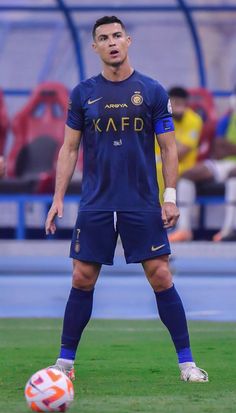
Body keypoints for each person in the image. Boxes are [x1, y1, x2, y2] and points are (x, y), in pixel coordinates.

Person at [45, 15, 208, 383]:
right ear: (95, 47)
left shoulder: (151, 91)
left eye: (117, 35)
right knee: (82, 278)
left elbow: (169, 150)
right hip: (97, 202)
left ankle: (187, 365)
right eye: (104, 38)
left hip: (141, 201)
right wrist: (57, 198)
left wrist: (169, 197)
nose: (112, 42)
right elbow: (69, 149)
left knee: (161, 276)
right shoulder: (83, 94)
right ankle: (64, 367)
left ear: (128, 40)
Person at [169, 88, 236, 242]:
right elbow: (218, 148)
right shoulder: (228, 119)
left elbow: (223, 146)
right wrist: (225, 148)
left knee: (234, 178)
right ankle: (184, 229)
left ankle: (228, 229)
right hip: (222, 164)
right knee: (186, 176)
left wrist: (228, 147)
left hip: (233, 169)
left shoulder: (193, 120)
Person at [155, 86, 202, 203]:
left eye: (182, 103)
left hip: (184, 164)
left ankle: (161, 211)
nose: (179, 107)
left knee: (161, 169)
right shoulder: (159, 117)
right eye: (175, 102)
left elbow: (181, 152)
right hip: (157, 160)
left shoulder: (194, 120)